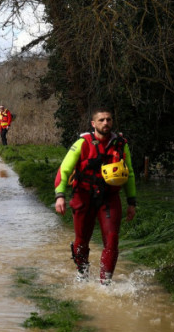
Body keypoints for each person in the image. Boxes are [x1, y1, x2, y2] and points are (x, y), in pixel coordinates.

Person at [53, 107, 137, 285]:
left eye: (108, 119)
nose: (106, 123)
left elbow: (129, 174)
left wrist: (132, 202)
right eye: (101, 120)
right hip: (83, 195)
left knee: (112, 239)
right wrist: (60, 195)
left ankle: (105, 282)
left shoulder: (121, 144)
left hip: (109, 197)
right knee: (81, 240)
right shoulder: (82, 143)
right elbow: (65, 169)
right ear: (93, 124)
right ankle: (82, 273)